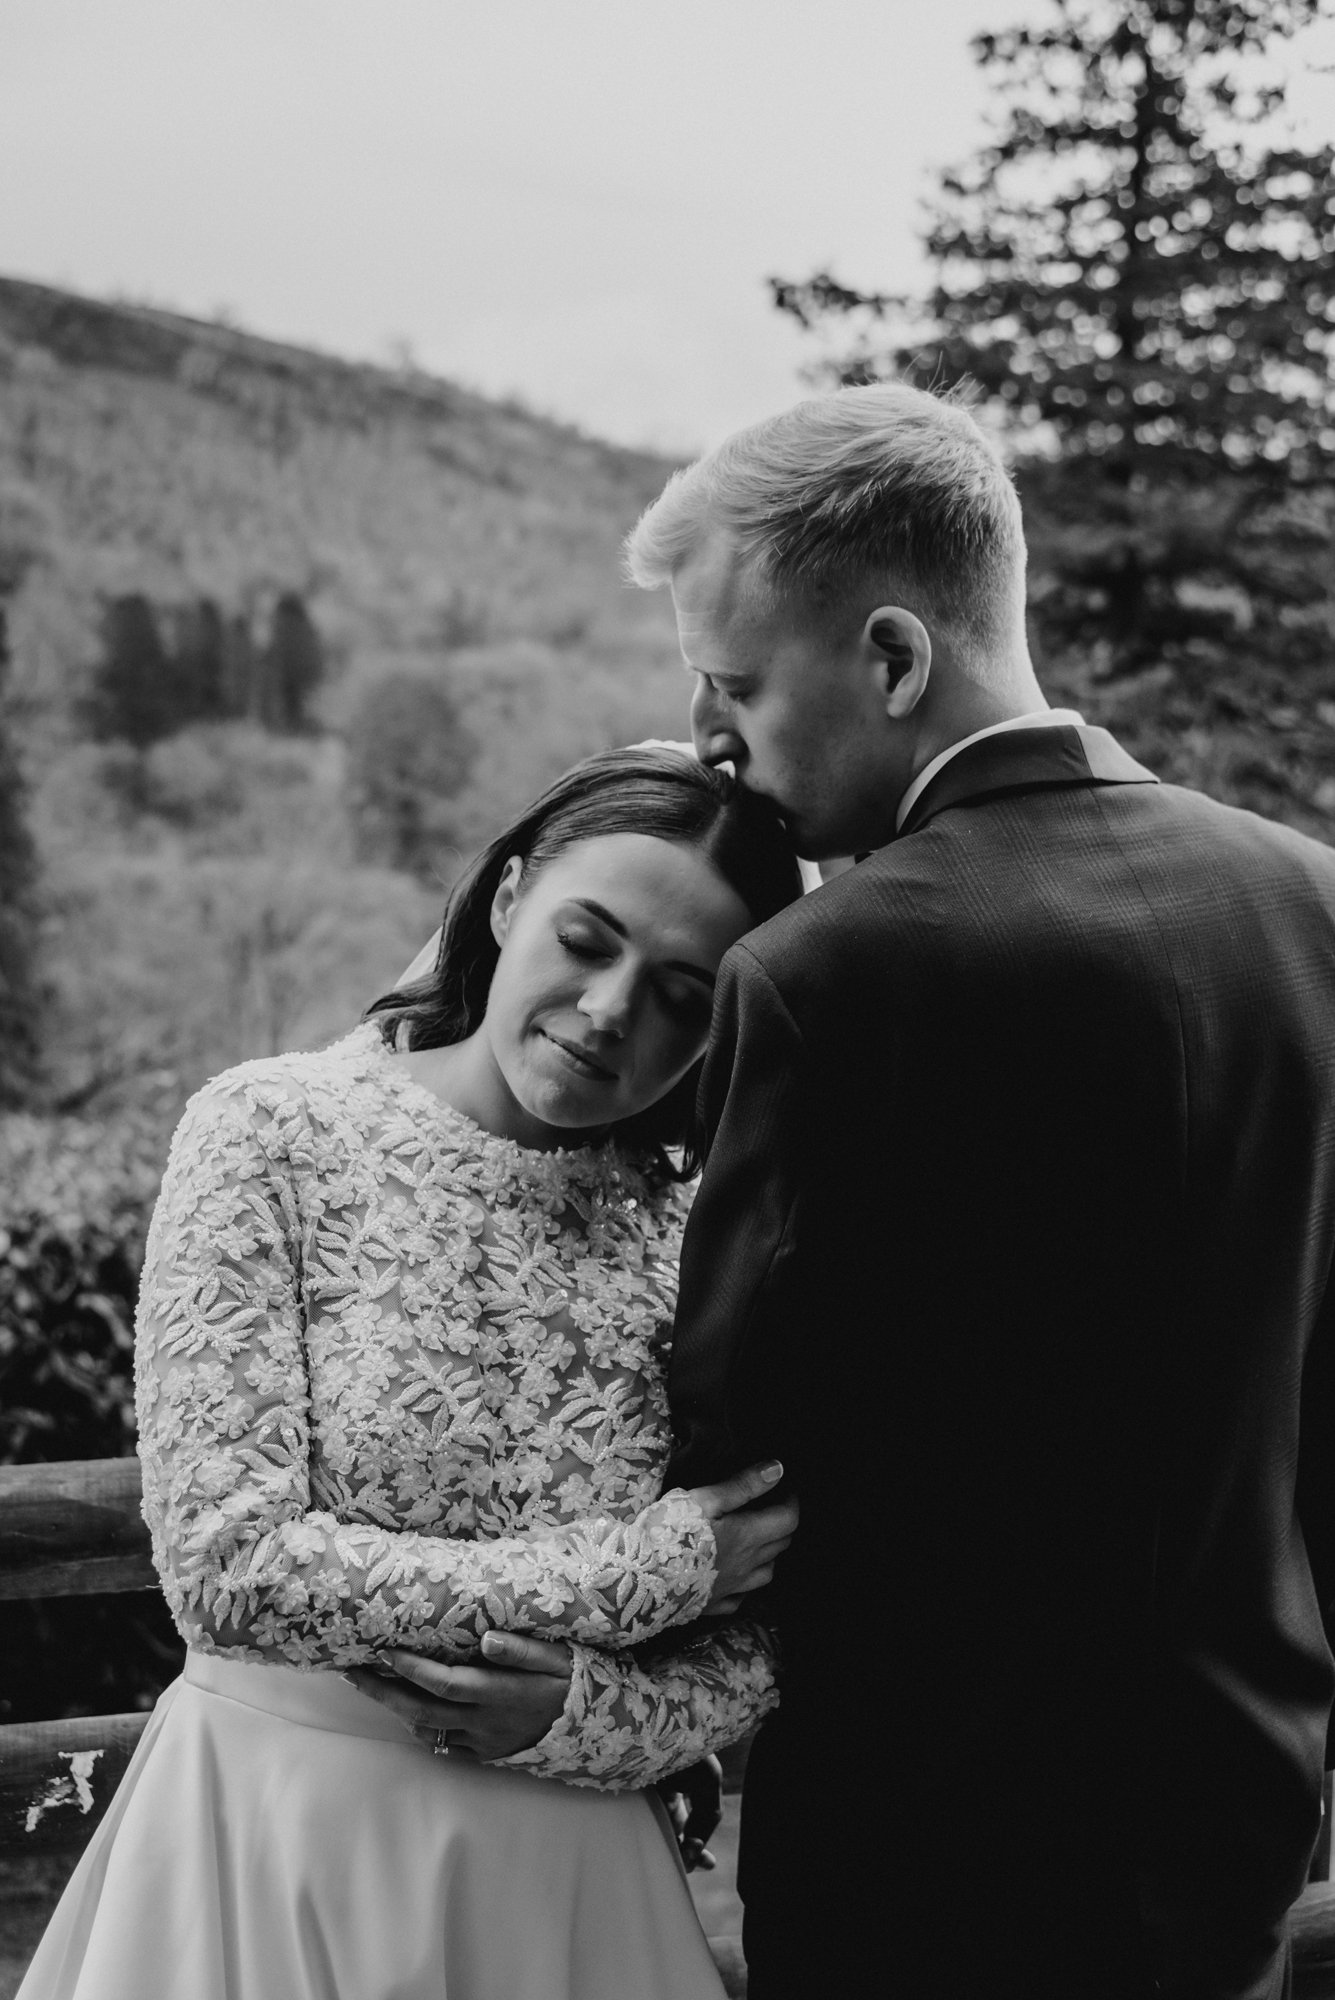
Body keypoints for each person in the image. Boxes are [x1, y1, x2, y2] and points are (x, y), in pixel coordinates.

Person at [389, 383, 1335, 2000]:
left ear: (893, 659)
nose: (713, 741)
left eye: (738, 684)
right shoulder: (1312, 905)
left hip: (924, 1836)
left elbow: (739, 1421)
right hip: (1237, 1805)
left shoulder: (832, 972)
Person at [16, 747, 802, 2000]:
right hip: (268, 1835)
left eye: (679, 995)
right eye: (584, 939)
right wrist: (652, 1566)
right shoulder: (270, 1129)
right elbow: (231, 1569)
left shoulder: (709, 1231)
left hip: (572, 1878)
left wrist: (588, 1721)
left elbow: (771, 1622)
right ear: (505, 899)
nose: (608, 1012)